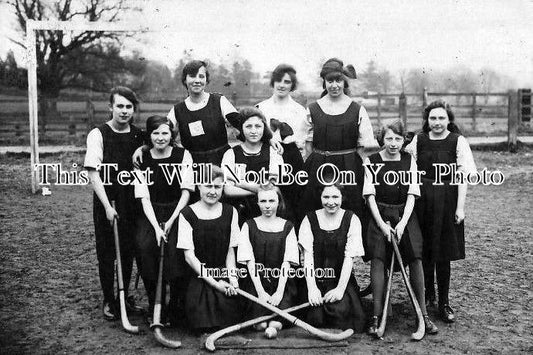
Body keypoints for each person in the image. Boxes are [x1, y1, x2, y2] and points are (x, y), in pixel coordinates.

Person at [363, 121, 438, 336]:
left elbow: (412, 194)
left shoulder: (409, 160)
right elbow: (369, 197)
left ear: (404, 140)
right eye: (388, 139)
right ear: (382, 140)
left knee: (415, 257)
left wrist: (403, 222)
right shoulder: (372, 161)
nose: (393, 143)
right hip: (379, 216)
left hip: (405, 215)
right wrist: (382, 227)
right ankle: (377, 316)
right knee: (378, 259)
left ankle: (422, 315)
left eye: (397, 139)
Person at [133, 60, 281, 168]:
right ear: (185, 80)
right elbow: (161, 133)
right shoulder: (178, 110)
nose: (197, 80)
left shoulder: (219, 101)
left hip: (222, 161)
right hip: (193, 164)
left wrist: (269, 137)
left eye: (201, 76)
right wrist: (142, 148)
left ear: (206, 80)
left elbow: (243, 123)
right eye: (192, 76)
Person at [405, 101, 476, 323]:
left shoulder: (458, 141)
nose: (437, 122)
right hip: (422, 200)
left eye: (441, 118)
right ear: (427, 120)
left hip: (447, 199)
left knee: (443, 254)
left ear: (449, 120)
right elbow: (408, 169)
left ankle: (444, 302)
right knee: (424, 251)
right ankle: (428, 298)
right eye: (433, 118)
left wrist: (460, 207)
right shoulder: (419, 140)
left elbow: (463, 175)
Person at [84, 86, 144, 320]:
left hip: (131, 202)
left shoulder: (139, 135)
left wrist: (144, 146)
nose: (124, 111)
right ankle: (109, 299)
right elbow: (93, 173)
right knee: (107, 254)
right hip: (107, 202)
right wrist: (107, 207)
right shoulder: (98, 134)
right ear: (111, 107)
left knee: (128, 251)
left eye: (129, 107)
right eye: (120, 106)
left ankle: (124, 297)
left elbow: (161, 142)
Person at [299, 58, 375, 226]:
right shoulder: (313, 108)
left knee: (351, 210)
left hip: (349, 168)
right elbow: (307, 144)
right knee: (316, 209)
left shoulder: (357, 109)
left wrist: (356, 167)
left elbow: (364, 146)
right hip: (319, 167)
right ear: (324, 83)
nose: (334, 85)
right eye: (330, 81)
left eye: (338, 80)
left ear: (344, 82)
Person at [134, 115, 193, 325]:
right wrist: (156, 227)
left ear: (172, 134)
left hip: (177, 210)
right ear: (149, 135)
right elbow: (144, 197)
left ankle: (175, 305)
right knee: (145, 245)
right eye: (156, 133)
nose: (160, 137)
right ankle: (154, 303)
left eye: (165, 133)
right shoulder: (142, 158)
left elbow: (186, 192)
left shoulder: (183, 155)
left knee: (177, 250)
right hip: (150, 212)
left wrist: (170, 222)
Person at [177, 166, 243, 331]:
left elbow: (230, 251)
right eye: (208, 186)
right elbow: (189, 257)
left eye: (217, 186)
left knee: (233, 318)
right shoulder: (186, 214)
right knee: (202, 323)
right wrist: (215, 284)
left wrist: (233, 280)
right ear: (199, 186)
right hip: (199, 276)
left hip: (223, 275)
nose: (213, 191)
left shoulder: (231, 211)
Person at [298, 182, 367, 332]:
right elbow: (307, 258)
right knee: (315, 318)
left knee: (339, 313)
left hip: (340, 280)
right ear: (320, 197)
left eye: (335, 196)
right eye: (326, 197)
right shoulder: (309, 219)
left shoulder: (351, 219)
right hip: (315, 279)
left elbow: (349, 258)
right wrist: (312, 289)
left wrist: (340, 290)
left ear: (342, 197)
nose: (331, 202)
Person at [237, 185, 299, 335]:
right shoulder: (248, 226)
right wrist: (261, 292)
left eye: (272, 200)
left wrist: (279, 292)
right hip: (256, 282)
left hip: (282, 282)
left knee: (278, 320)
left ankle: (274, 327)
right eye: (263, 201)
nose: (267, 205)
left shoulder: (288, 227)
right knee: (260, 322)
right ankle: (264, 326)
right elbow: (249, 261)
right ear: (257, 203)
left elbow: (287, 262)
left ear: (279, 202)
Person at [256, 64, 307, 223]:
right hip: (266, 156)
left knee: (292, 202)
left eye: (287, 82)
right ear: (273, 82)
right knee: (268, 198)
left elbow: (302, 141)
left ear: (292, 85)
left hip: (291, 157)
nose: (282, 85)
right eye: (278, 80)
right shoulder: (261, 107)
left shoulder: (299, 110)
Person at [221, 107, 284, 225]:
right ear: (241, 129)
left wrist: (240, 183)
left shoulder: (273, 152)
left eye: (258, 126)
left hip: (268, 209)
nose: (253, 131)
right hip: (240, 211)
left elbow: (273, 186)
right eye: (248, 126)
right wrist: (259, 189)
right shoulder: (231, 154)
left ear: (264, 127)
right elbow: (229, 190)